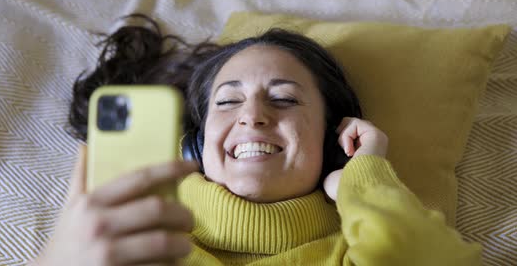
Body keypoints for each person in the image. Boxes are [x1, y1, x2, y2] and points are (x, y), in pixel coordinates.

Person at [30, 15, 481, 265]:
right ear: (196, 144)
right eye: (227, 103)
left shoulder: (356, 249)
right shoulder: (129, 237)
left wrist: (361, 180)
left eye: (284, 99)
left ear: (330, 139)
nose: (252, 116)